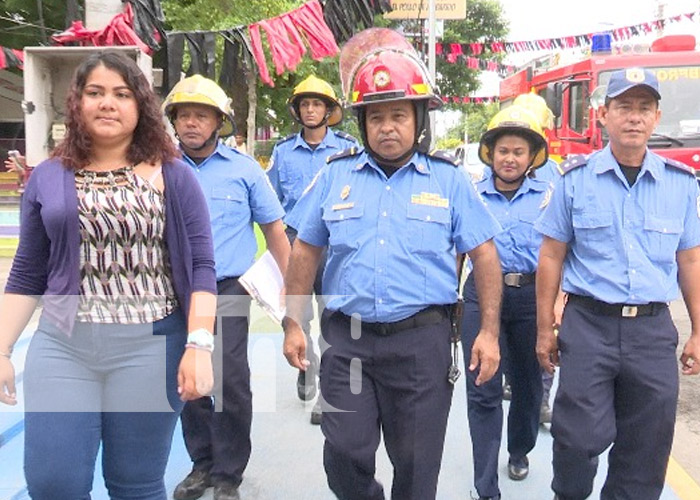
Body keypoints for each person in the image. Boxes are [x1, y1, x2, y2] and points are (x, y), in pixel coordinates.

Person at [282, 31, 504, 500]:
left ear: (418, 120)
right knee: (343, 452)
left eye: (399, 115)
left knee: (418, 467)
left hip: (421, 343)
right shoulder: (334, 175)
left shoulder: (449, 181)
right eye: (376, 116)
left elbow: (484, 255)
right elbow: (304, 250)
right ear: (362, 123)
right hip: (349, 341)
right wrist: (292, 322)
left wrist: (487, 331)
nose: (388, 127)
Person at [0, 50, 217, 500]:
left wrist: (198, 344)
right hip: (64, 347)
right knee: (53, 483)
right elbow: (27, 271)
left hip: (150, 347)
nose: (107, 104)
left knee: (134, 483)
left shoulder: (175, 176)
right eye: (95, 93)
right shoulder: (47, 177)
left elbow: (201, 267)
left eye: (121, 94)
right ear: (76, 103)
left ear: (140, 105)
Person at [535, 67, 700, 500]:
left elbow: (690, 259)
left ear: (656, 117)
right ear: (604, 115)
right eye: (624, 107)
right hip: (589, 325)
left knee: (647, 447)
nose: (634, 117)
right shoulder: (575, 180)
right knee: (577, 438)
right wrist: (543, 329)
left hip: (651, 330)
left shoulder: (681, 186)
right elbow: (551, 255)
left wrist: (699, 332)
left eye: (644, 108)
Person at [163, 74, 290, 500]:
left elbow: (274, 230)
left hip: (230, 289)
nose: (192, 123)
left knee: (231, 379)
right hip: (176, 291)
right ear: (174, 122)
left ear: (219, 122)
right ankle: (202, 463)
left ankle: (228, 474)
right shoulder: (160, 168)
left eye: (202, 116)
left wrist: (292, 295)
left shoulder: (245, 170)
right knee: (188, 381)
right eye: (184, 116)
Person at [462, 105, 552, 500]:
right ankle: (485, 483)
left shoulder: (550, 196)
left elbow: (561, 253)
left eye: (518, 151)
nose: (510, 158)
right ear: (490, 154)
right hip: (480, 300)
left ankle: (519, 448)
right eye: (503, 151)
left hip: (531, 300)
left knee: (529, 387)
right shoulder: (470, 195)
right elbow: (456, 253)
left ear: (531, 158)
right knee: (482, 387)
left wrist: (558, 306)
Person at [266, 74, 357, 424]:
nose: (310, 109)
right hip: (295, 244)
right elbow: (270, 200)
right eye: (305, 104)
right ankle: (307, 367)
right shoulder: (283, 151)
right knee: (298, 317)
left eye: (317, 103)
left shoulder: (347, 150)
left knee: (333, 319)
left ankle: (326, 393)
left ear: (329, 110)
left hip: (335, 245)